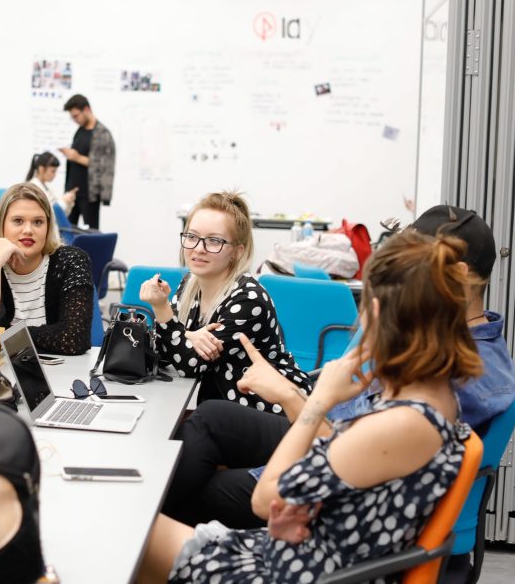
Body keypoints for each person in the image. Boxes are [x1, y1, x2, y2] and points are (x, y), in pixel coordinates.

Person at [137, 230, 483, 584]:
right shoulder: (438, 398)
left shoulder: (401, 423)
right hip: (313, 552)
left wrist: (318, 401)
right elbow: (352, 471)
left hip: (298, 569)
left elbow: (264, 500)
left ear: (376, 312)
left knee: (132, 527)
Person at [161, 205, 515, 530]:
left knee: (183, 496)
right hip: (331, 438)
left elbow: (354, 457)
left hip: (330, 471)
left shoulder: (450, 380)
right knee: (211, 418)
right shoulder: (441, 346)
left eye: (412, 269)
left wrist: (296, 399)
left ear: (456, 274)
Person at [138, 192, 310, 412]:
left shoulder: (249, 299)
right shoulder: (190, 283)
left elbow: (189, 364)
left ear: (237, 252)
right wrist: (188, 335)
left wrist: (161, 308)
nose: (198, 248)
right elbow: (163, 351)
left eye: (214, 241)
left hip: (271, 411)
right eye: (192, 236)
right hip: (220, 408)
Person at [0, 182, 92, 355]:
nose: (28, 230)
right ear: (2, 225)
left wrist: (6, 337)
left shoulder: (71, 261)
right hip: (2, 370)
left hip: (62, 369)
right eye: (18, 221)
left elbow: (74, 339)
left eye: (38, 222)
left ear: (48, 227)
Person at [59, 94, 114, 229]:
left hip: (89, 194)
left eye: (76, 116)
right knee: (67, 230)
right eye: (72, 117)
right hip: (72, 192)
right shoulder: (81, 130)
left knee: (92, 232)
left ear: (87, 110)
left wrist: (76, 157)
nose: (74, 120)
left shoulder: (102, 133)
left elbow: (103, 164)